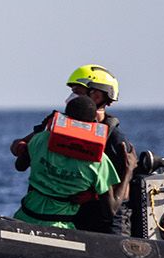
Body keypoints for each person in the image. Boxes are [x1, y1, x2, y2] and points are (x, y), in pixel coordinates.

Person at [13, 96, 122, 229]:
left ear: (65, 117)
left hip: (24, 218)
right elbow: (110, 212)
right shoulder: (99, 161)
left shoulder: (41, 139)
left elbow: (19, 166)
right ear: (94, 123)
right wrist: (129, 170)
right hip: (60, 227)